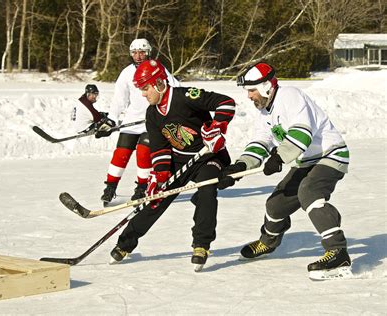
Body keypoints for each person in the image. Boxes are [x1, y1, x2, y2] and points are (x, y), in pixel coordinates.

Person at [218, 62, 352, 279]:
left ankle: (338, 251)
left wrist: (279, 157)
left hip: (330, 155)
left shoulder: (290, 96)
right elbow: (260, 142)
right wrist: (239, 168)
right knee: (275, 204)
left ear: (266, 87)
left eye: (252, 90)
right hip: (305, 162)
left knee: (309, 193)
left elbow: (303, 132)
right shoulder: (264, 112)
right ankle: (268, 243)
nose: (249, 96)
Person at [110, 59, 236, 271]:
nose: (143, 94)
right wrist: (158, 177)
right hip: (178, 159)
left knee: (207, 188)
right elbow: (160, 149)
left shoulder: (185, 97)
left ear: (159, 83)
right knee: (156, 199)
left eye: (145, 88)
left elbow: (227, 103)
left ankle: (201, 245)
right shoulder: (152, 114)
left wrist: (217, 127)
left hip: (207, 156)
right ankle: (125, 243)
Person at [98, 38, 180, 205]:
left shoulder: (158, 69)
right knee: (121, 153)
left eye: (141, 52)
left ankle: (142, 188)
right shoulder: (126, 73)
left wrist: (168, 111)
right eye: (134, 53)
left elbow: (175, 88)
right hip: (132, 121)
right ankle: (110, 187)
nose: (138, 56)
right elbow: (119, 100)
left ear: (148, 52)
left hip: (151, 121)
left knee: (143, 153)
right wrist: (112, 120)